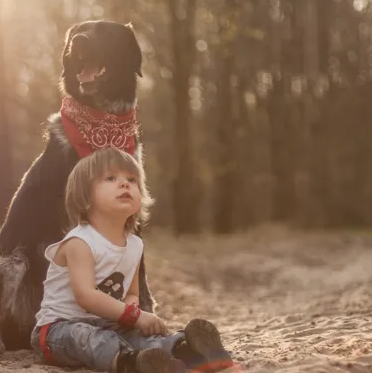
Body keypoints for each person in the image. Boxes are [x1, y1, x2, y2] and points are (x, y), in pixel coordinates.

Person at [30, 147, 233, 373]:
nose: (125, 184)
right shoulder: (80, 242)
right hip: (58, 331)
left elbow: (132, 293)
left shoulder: (135, 245)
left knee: (139, 336)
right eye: (110, 178)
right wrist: (134, 315)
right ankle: (131, 362)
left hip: (110, 324)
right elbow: (86, 296)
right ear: (84, 196)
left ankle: (185, 350)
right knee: (91, 338)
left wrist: (131, 311)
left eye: (132, 180)